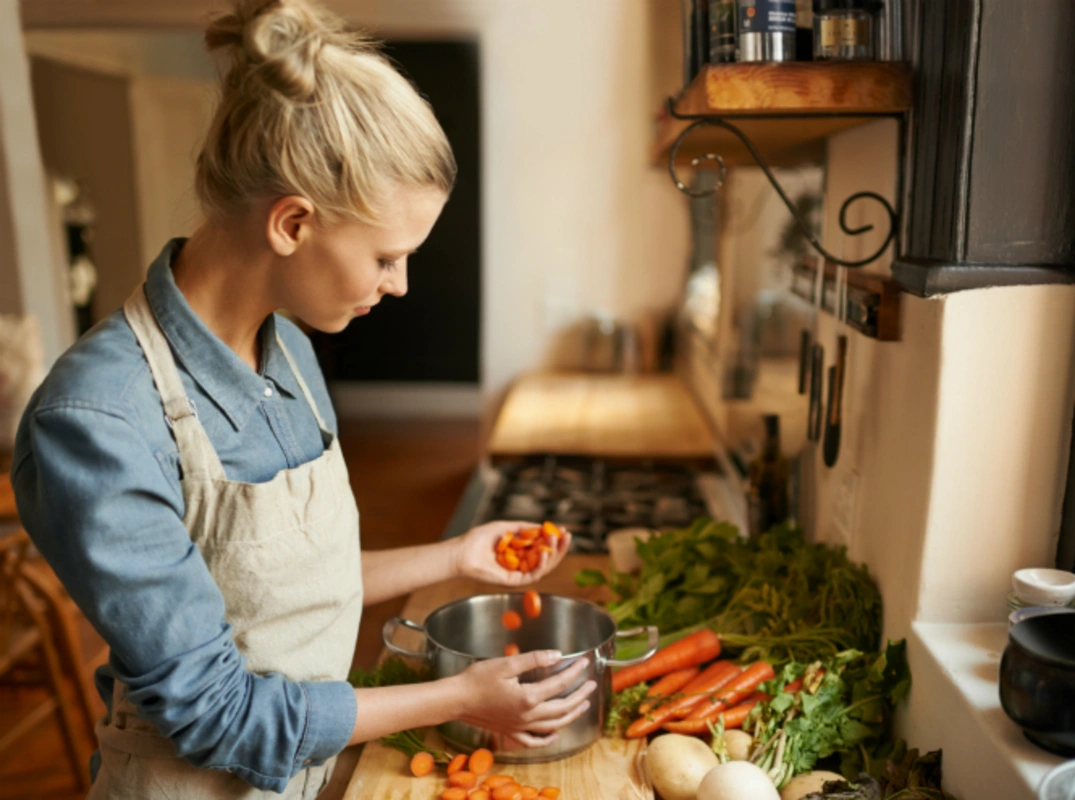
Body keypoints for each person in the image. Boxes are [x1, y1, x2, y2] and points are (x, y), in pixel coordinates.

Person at [11, 1, 595, 797]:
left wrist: (455, 557)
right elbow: (217, 712)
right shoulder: (96, 421)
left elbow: (271, 584)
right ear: (292, 222)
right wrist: (462, 698)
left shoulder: (288, 351)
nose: (400, 285)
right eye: (387, 257)